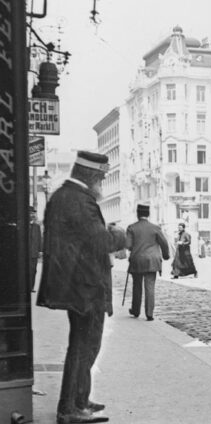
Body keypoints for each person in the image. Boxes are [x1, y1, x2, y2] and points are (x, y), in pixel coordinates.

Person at [37, 150, 125, 424]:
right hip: (84, 286)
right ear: (91, 175)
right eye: (101, 176)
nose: (102, 181)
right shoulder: (78, 200)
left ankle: (79, 399)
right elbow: (101, 242)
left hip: (78, 283)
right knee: (83, 346)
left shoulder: (65, 196)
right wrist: (119, 234)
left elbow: (85, 236)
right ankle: (69, 408)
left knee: (84, 344)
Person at [126, 204, 169, 321]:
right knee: (150, 286)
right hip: (152, 260)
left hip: (137, 260)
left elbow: (128, 245)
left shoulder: (131, 228)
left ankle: (135, 310)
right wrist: (166, 255)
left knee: (137, 285)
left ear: (138, 214)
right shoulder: (155, 228)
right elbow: (164, 243)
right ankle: (149, 313)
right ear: (148, 214)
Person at [29, 206, 43, 292]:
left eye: (33, 213)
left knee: (33, 270)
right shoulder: (22, 226)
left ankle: (31, 287)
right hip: (24, 253)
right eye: (30, 213)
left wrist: (40, 250)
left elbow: (39, 239)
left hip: (34, 252)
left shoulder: (37, 226)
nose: (32, 215)